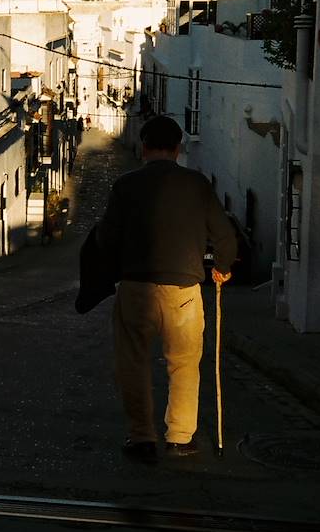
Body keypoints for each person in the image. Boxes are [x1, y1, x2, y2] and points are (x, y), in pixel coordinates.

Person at [82, 114, 237, 463]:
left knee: (133, 364)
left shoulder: (125, 185)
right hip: (184, 292)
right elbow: (225, 236)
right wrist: (223, 268)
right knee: (183, 364)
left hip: (136, 289)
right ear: (179, 149)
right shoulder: (197, 184)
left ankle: (141, 438)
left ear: (144, 146)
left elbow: (106, 238)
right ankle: (181, 439)